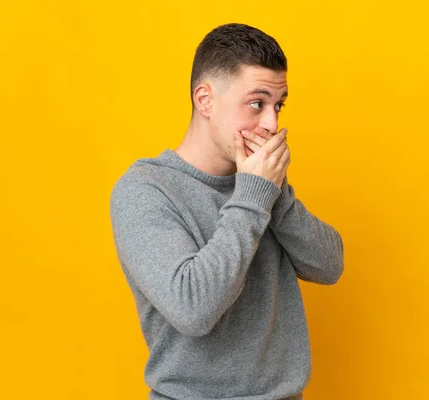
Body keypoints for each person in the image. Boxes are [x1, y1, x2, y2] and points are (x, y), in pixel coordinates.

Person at [109, 23, 344, 400]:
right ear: (205, 100)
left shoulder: (260, 184)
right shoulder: (145, 190)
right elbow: (193, 309)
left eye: (278, 105)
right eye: (257, 103)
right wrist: (255, 194)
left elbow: (329, 266)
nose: (272, 123)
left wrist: (275, 193)